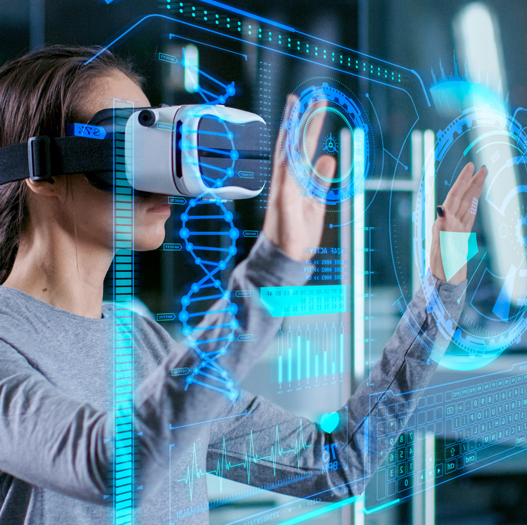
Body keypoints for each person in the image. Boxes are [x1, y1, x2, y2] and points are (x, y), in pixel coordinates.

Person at [0, 46, 487, 524]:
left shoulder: (143, 342)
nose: (167, 180)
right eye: (131, 145)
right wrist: (271, 269)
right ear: (42, 171)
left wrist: (437, 297)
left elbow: (336, 465)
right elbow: (108, 467)